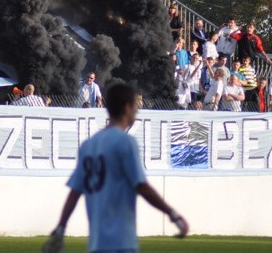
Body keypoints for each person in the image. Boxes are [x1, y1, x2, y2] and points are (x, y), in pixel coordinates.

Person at [43, 83, 188, 253]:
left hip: (97, 243)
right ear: (127, 107)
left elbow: (75, 192)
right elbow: (141, 186)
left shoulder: (89, 145)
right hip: (121, 242)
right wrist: (173, 214)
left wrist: (61, 227)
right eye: (135, 105)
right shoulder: (125, 141)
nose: (137, 110)